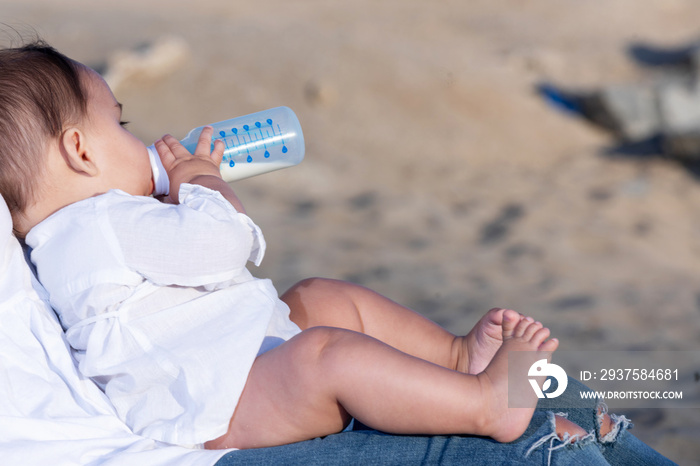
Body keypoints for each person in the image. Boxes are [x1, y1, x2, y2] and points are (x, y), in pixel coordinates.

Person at [0, 40, 676, 465]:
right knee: (327, 354)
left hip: (224, 370)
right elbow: (220, 247)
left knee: (322, 298)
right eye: (119, 122)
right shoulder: (100, 225)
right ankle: (483, 405)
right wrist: (199, 183)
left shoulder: (76, 236)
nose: (135, 137)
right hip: (214, 410)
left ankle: (452, 357)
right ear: (80, 151)